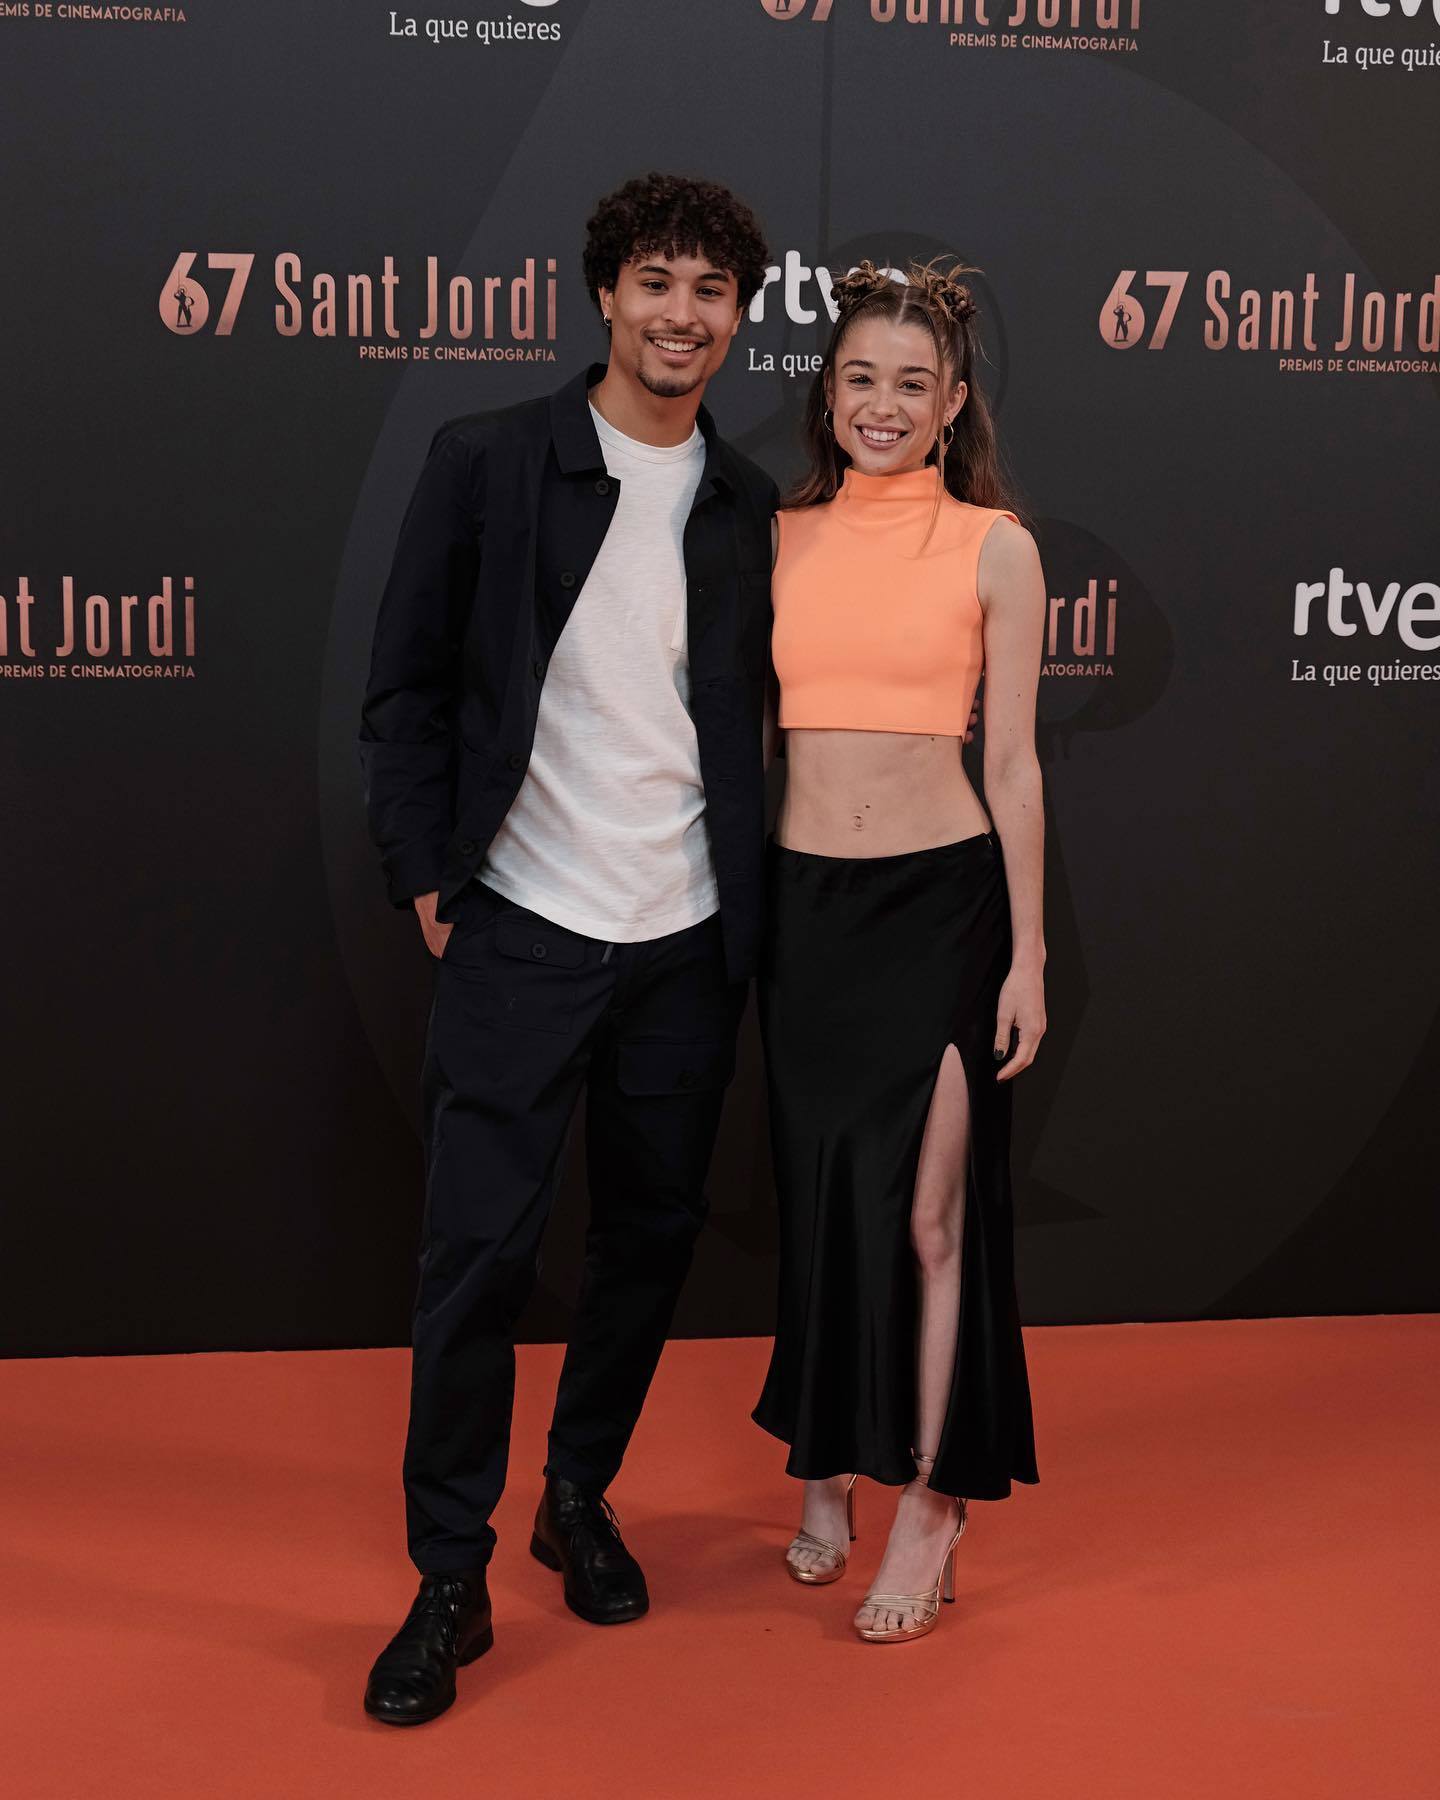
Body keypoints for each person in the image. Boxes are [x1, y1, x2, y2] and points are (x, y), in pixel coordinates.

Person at [357, 173, 775, 1724]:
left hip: (687, 942)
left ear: (740, 318)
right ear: (606, 294)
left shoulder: (751, 507)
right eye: (657, 282)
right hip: (523, 926)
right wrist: (426, 872)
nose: (682, 314)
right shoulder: (488, 462)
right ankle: (447, 1576)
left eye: (711, 291)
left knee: (648, 1242)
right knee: (476, 1256)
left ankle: (577, 1493)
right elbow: (403, 687)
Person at [753, 259, 1045, 1644]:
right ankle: (824, 1467)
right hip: (805, 914)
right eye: (860, 377)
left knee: (930, 1220)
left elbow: (1018, 763)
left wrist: (1029, 955)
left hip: (941, 912)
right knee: (821, 1200)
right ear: (828, 394)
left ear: (953, 402)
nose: (883, 404)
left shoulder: (995, 546)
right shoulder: (775, 536)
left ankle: (931, 1503)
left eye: (912, 384)